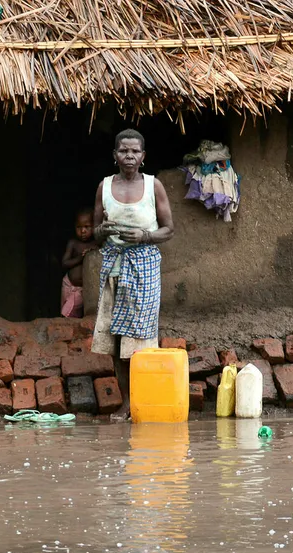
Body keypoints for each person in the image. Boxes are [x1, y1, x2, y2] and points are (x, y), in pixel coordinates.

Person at [91, 129, 174, 404]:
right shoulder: (104, 187)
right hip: (114, 268)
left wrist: (145, 236)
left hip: (145, 269)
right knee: (116, 341)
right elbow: (95, 233)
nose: (129, 156)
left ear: (143, 156)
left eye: (135, 151)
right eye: (124, 151)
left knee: (141, 338)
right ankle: (127, 402)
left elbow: (169, 230)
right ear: (115, 155)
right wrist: (103, 230)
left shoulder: (154, 186)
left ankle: (144, 401)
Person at [61, 209, 97, 318]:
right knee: (66, 312)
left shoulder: (96, 244)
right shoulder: (73, 243)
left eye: (87, 227)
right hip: (68, 285)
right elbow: (64, 263)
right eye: (79, 227)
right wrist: (80, 258)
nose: (83, 231)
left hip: (83, 289)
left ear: (95, 226)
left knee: (70, 313)